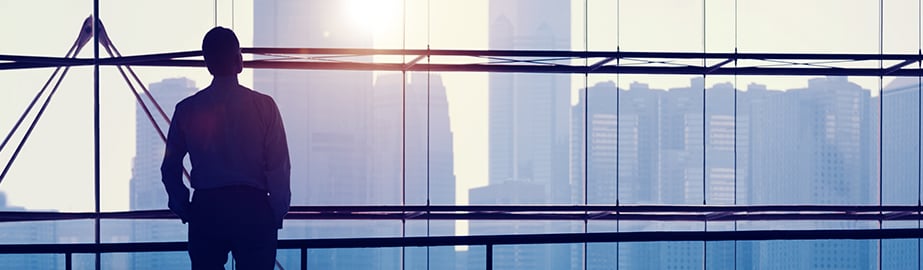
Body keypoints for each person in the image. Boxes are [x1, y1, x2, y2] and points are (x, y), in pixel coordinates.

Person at [161, 26, 291, 270]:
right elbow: (278, 166)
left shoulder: (187, 109)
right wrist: (275, 212)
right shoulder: (264, 106)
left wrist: (184, 207)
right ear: (238, 60)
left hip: (207, 207)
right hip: (253, 208)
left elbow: (170, 167)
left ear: (207, 63)